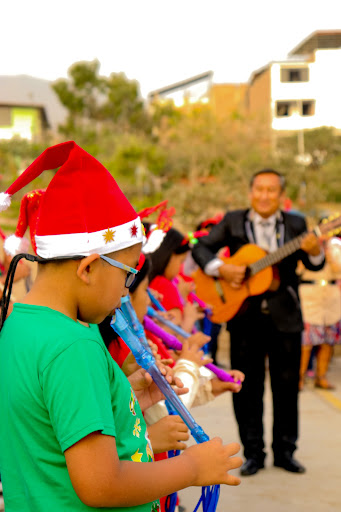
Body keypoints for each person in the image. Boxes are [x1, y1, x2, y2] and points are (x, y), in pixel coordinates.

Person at [0, 141, 242, 512]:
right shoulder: (73, 346)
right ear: (89, 268)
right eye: (127, 276)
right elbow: (101, 485)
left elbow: (49, 425)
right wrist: (192, 467)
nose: (124, 294)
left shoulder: (18, 325)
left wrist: (123, 399)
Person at [192, 168, 325, 476]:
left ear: (282, 195)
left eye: (272, 190)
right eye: (260, 190)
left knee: (287, 388)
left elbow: (312, 262)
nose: (265, 196)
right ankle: (253, 453)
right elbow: (201, 248)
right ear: (250, 192)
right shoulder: (232, 220)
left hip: (286, 317)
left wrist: (316, 250)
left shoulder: (296, 223)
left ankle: (285, 452)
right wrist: (221, 269)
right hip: (243, 319)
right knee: (246, 387)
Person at [299, 236, 341, 390]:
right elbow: (297, 270)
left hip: (331, 298)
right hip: (310, 296)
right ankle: (300, 377)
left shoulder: (336, 248)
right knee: (306, 342)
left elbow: (339, 271)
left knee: (328, 341)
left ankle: (321, 377)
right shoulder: (305, 247)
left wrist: (329, 255)